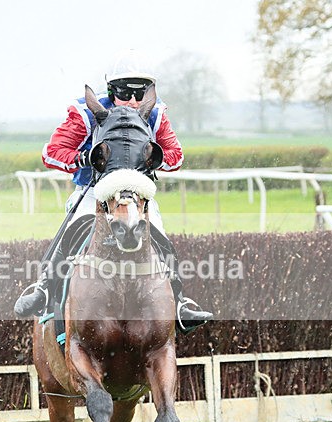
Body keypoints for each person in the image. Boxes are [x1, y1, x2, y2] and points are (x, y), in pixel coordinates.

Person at [14, 56, 213, 332]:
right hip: (94, 193)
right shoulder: (85, 113)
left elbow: (175, 156)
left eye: (139, 93)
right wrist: (86, 158)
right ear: (110, 92)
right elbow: (51, 153)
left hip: (137, 193)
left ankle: (179, 303)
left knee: (159, 235)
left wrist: (153, 159)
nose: (132, 100)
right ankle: (44, 290)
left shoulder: (155, 114)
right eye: (123, 92)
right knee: (71, 232)